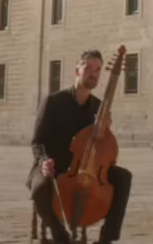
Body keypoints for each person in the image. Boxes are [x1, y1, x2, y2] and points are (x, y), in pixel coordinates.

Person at [26, 50, 133, 244]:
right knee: (39, 187)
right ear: (77, 70)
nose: (93, 73)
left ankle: (106, 239)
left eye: (97, 69)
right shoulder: (53, 101)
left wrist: (104, 132)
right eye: (88, 68)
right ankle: (61, 237)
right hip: (53, 165)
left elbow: (101, 147)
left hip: (86, 168)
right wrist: (43, 161)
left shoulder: (99, 107)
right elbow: (38, 141)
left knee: (123, 177)